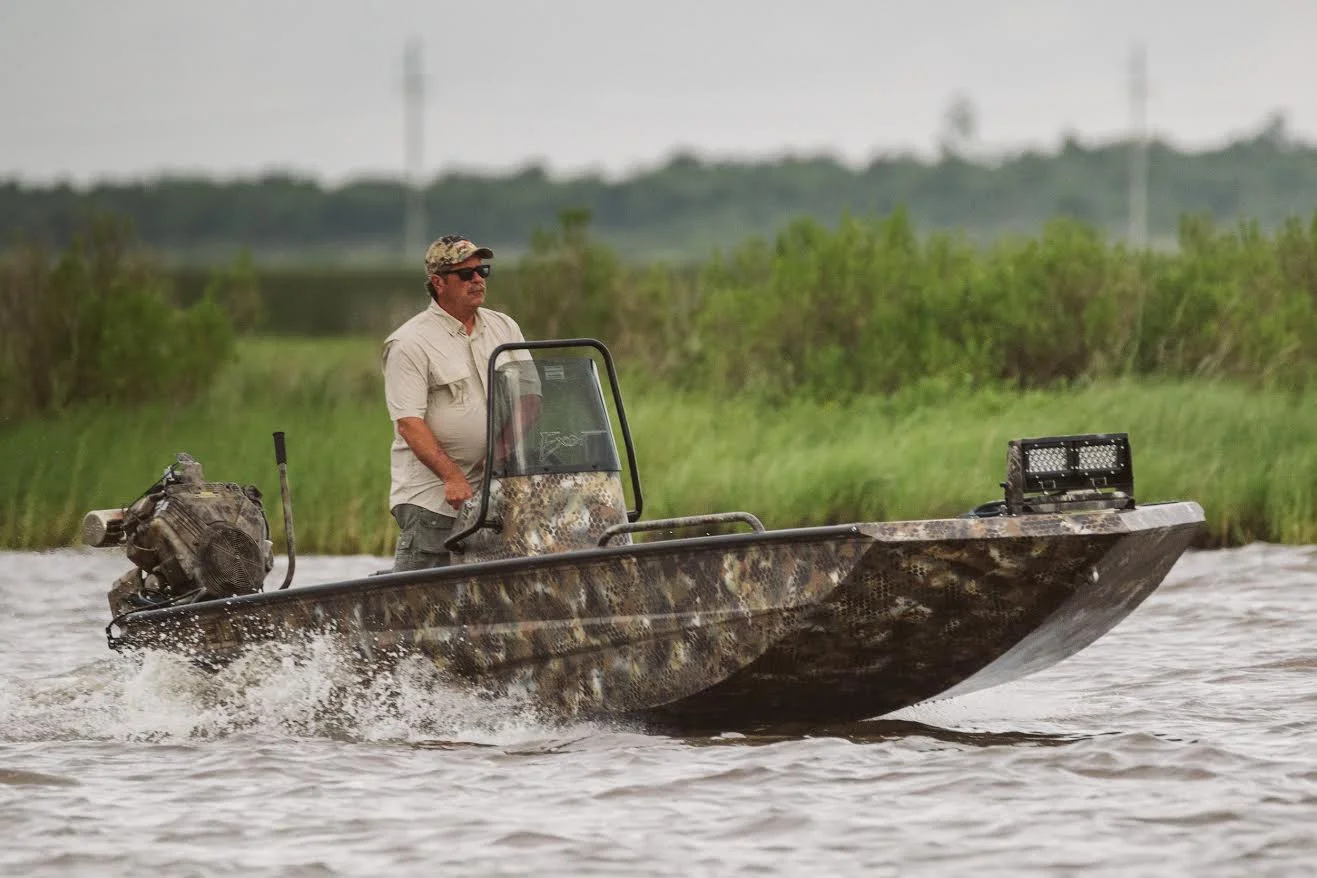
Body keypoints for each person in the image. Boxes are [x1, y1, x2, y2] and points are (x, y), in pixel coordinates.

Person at [382, 234, 535, 572]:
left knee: (494, 592)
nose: (478, 279)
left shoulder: (504, 327)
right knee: (421, 602)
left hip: (493, 495)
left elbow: (529, 397)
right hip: (433, 500)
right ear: (438, 283)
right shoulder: (408, 343)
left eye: (482, 271)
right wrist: (451, 476)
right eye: (466, 274)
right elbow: (409, 423)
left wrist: (502, 456)